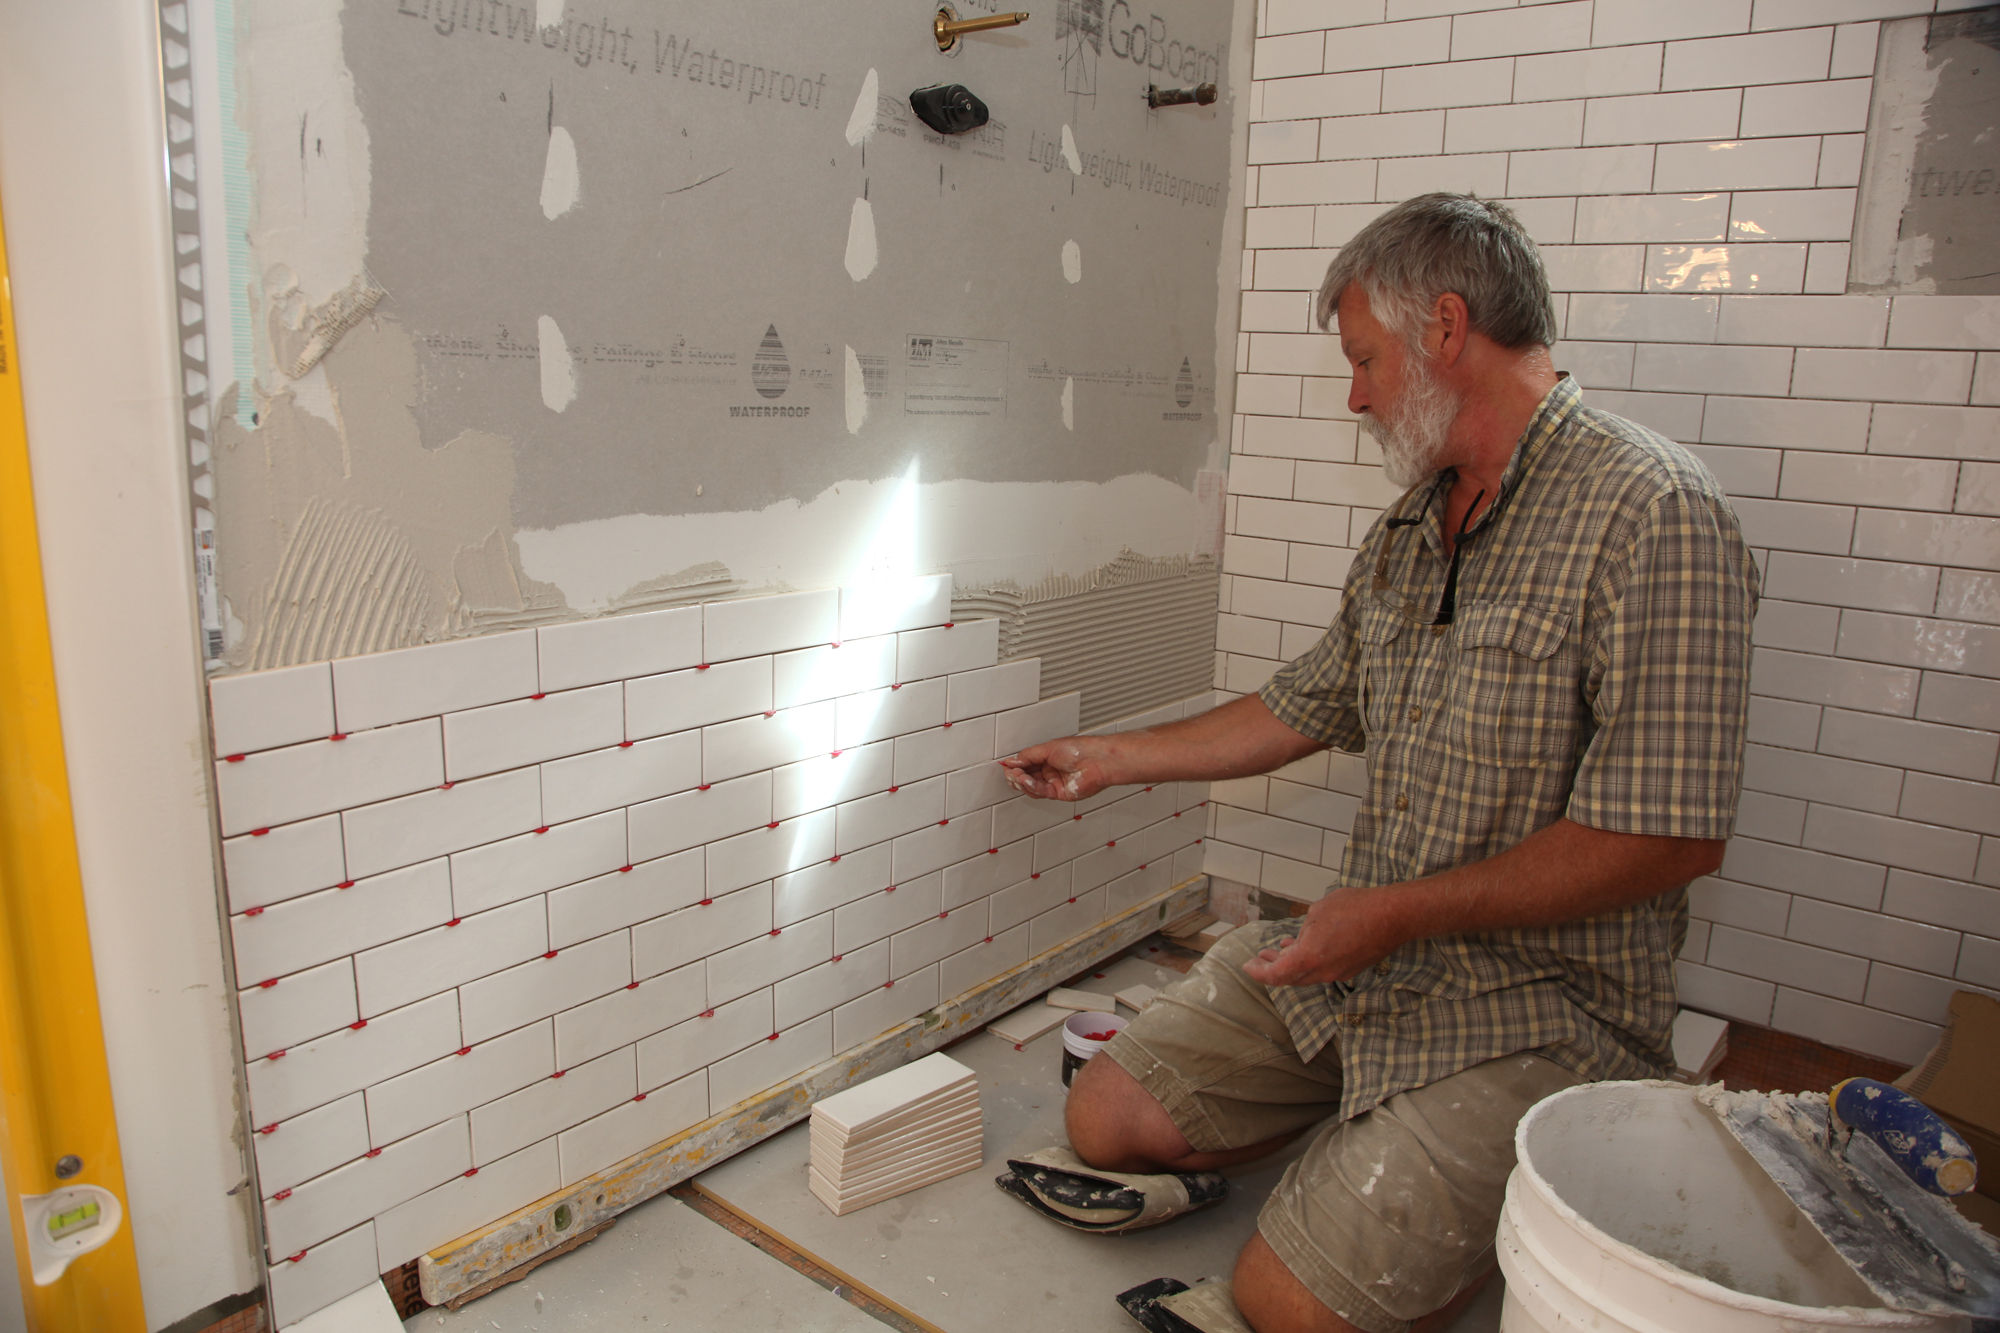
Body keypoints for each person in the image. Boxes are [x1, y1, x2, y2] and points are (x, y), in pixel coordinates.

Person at [998, 193, 1760, 1333]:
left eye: (1363, 359)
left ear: (1444, 329)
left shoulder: (1653, 513)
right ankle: (1371, 1134)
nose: (1354, 395)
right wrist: (1107, 756)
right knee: (1105, 1119)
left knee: (1283, 1302)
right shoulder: (1415, 525)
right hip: (1373, 965)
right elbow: (1307, 701)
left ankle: (1445, 1186)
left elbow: (1668, 839)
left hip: (1541, 1009)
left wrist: (1393, 913)